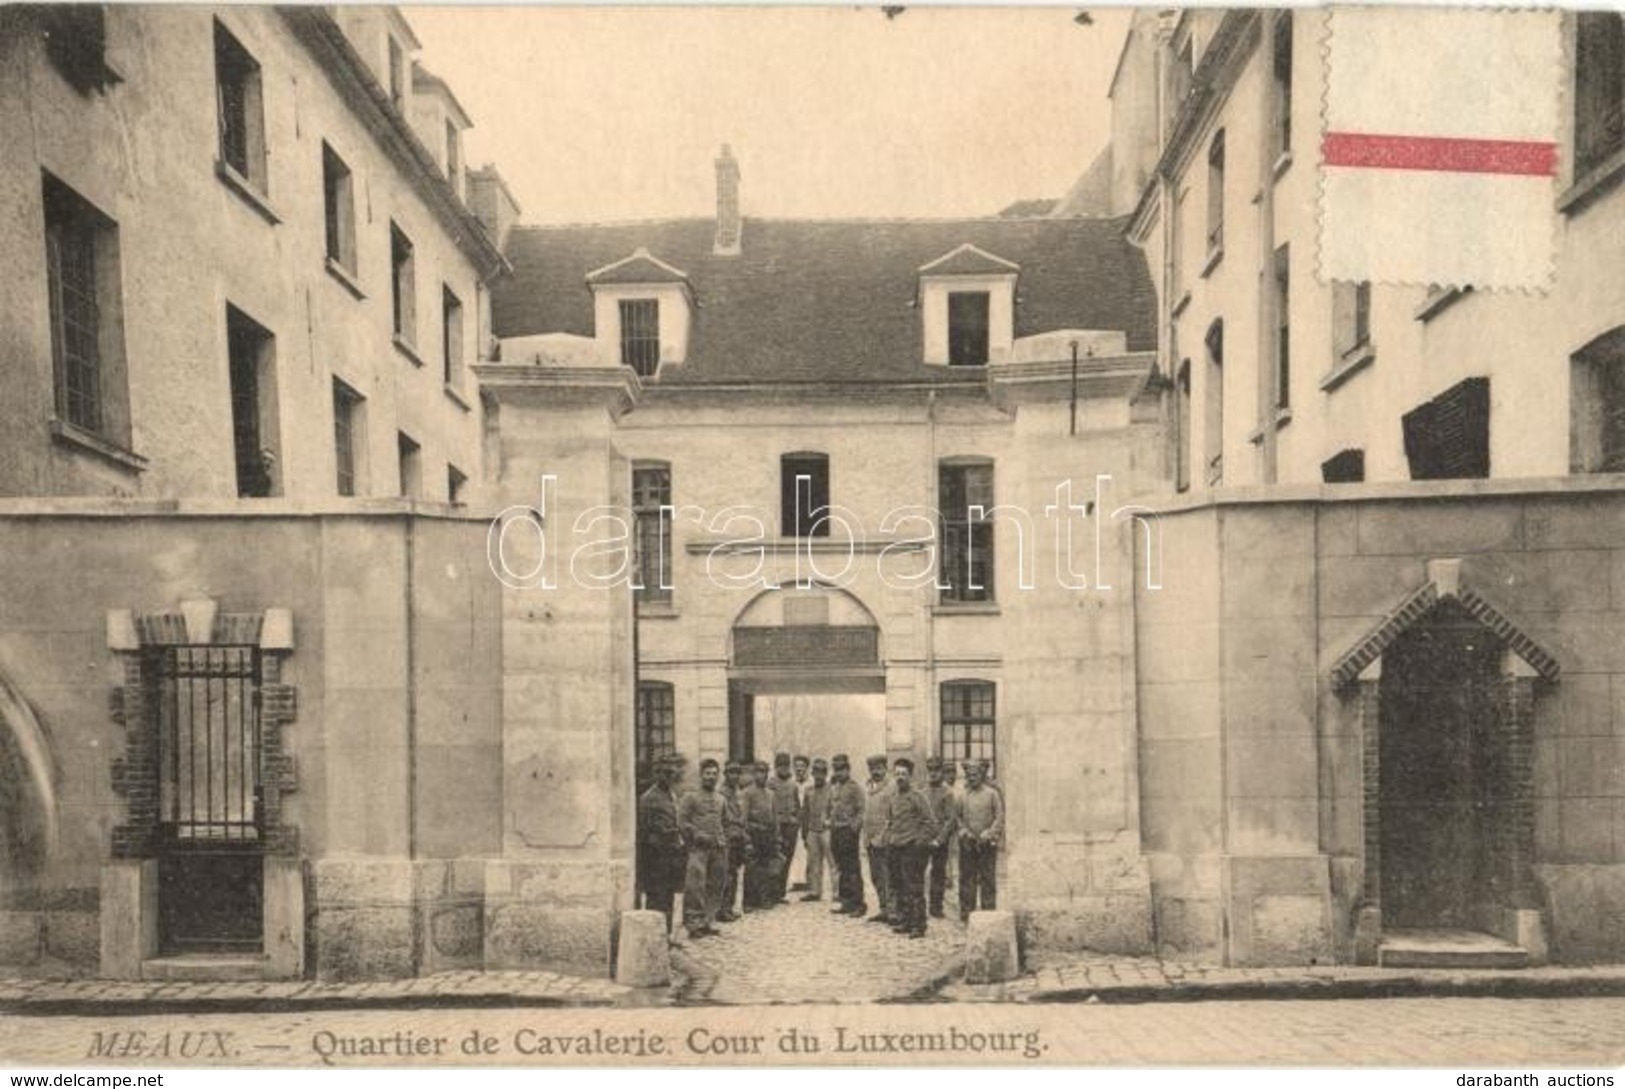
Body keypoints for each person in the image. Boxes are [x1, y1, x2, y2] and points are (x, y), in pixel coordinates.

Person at [678, 758, 729, 940]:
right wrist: (697, 835)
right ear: (701, 775)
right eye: (708, 774)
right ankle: (693, 922)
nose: (711, 777)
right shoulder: (690, 797)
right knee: (695, 886)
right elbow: (683, 823)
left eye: (715, 774)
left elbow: (725, 822)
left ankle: (708, 920)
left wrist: (723, 840)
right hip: (698, 849)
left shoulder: (721, 799)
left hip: (718, 848)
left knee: (716, 884)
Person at [635, 754, 685, 936]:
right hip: (656, 857)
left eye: (671, 772)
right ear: (657, 774)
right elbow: (644, 831)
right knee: (656, 897)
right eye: (664, 773)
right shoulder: (648, 798)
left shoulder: (672, 795)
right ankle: (655, 937)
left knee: (669, 897)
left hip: (671, 855)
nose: (668, 776)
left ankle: (666, 936)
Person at [886, 756, 936, 938]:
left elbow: (930, 823)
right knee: (899, 887)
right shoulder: (893, 797)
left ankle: (918, 925)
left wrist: (918, 843)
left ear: (910, 776)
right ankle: (906, 921)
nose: (900, 777)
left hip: (912, 850)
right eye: (897, 773)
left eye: (904, 774)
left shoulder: (918, 797)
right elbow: (891, 822)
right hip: (896, 848)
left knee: (914, 888)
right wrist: (889, 838)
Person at [958, 759, 1004, 916]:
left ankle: (988, 910)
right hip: (968, 843)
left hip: (987, 843)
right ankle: (967, 910)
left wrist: (990, 833)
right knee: (967, 878)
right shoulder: (962, 796)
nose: (972, 778)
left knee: (988, 878)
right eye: (969, 775)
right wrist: (965, 832)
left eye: (975, 774)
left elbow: (999, 817)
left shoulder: (992, 794)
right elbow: (957, 818)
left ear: (982, 775)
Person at [825, 753, 867, 916]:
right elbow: (828, 808)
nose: (839, 773)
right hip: (836, 831)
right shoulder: (833, 788)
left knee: (852, 868)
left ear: (848, 769)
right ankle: (846, 902)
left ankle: (859, 904)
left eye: (842, 769)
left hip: (848, 832)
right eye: (836, 769)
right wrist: (827, 821)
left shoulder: (855, 788)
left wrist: (854, 828)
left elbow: (861, 810)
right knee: (841, 868)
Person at [741, 760, 782, 910]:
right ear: (754, 774)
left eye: (764, 772)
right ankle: (749, 902)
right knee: (751, 868)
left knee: (766, 868)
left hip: (767, 835)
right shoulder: (747, 793)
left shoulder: (771, 794)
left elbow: (775, 817)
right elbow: (743, 819)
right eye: (759, 772)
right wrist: (747, 840)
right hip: (753, 834)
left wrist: (777, 838)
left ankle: (764, 899)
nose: (762, 775)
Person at [923, 756, 959, 919]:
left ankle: (936, 906)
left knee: (938, 873)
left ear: (942, 773)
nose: (933, 774)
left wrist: (940, 839)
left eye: (936, 771)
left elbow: (951, 819)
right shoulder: (923, 792)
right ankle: (920, 905)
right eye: (930, 770)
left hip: (940, 840)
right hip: (924, 839)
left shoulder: (948, 793)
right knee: (918, 872)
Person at [862, 754, 895, 924]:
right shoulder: (867, 787)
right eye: (872, 769)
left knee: (888, 876)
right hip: (870, 838)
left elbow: (893, 814)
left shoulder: (892, 787)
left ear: (885, 768)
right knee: (876, 877)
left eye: (879, 768)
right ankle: (883, 908)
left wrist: (886, 834)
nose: (875, 772)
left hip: (885, 839)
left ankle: (892, 910)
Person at [718, 760, 750, 921]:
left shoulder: (738, 792)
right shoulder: (722, 793)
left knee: (735, 873)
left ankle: (729, 907)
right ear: (725, 774)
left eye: (737, 773)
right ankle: (722, 909)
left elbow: (741, 814)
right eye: (731, 773)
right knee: (726, 874)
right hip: (728, 837)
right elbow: (727, 817)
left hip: (738, 837)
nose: (735, 776)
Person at [799, 757, 832, 901]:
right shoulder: (808, 791)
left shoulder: (832, 790)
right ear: (812, 774)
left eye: (821, 773)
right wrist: (804, 833)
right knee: (813, 862)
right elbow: (805, 813)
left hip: (827, 830)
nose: (818, 776)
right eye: (816, 772)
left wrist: (830, 822)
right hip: (812, 830)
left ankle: (837, 892)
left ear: (825, 774)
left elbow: (835, 809)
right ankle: (814, 891)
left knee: (833, 862)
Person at [770, 752, 801, 902]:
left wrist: (796, 822)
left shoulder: (793, 784)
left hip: (790, 826)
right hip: (776, 826)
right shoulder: (771, 783)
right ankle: (772, 892)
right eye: (780, 766)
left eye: (786, 766)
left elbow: (798, 805)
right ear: (776, 767)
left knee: (787, 858)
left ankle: (780, 892)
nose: (783, 769)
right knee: (775, 858)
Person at [789, 754, 812, 891]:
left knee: (808, 850)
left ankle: (808, 880)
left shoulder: (812, 783)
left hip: (808, 820)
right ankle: (796, 881)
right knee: (796, 850)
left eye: (802, 767)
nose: (799, 770)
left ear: (807, 768)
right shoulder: (792, 784)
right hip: (795, 819)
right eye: (797, 767)